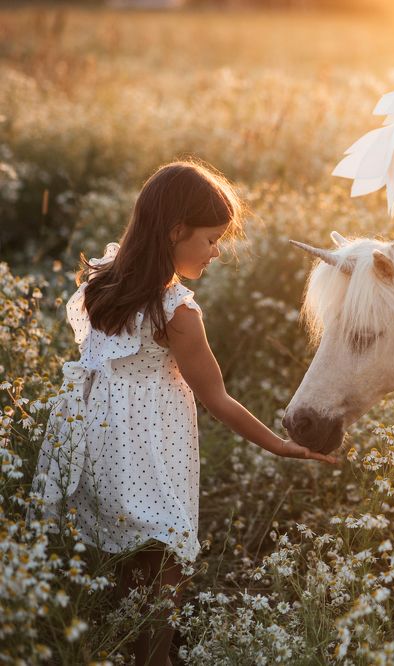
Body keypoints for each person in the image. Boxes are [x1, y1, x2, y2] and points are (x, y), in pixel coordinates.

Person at [28, 160, 338, 665]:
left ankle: (123, 653)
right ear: (176, 231)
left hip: (100, 446)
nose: (217, 252)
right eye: (211, 239)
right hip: (153, 451)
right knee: (167, 565)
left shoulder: (101, 283)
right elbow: (216, 398)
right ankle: (155, 660)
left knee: (127, 566)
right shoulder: (177, 312)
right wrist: (281, 445)